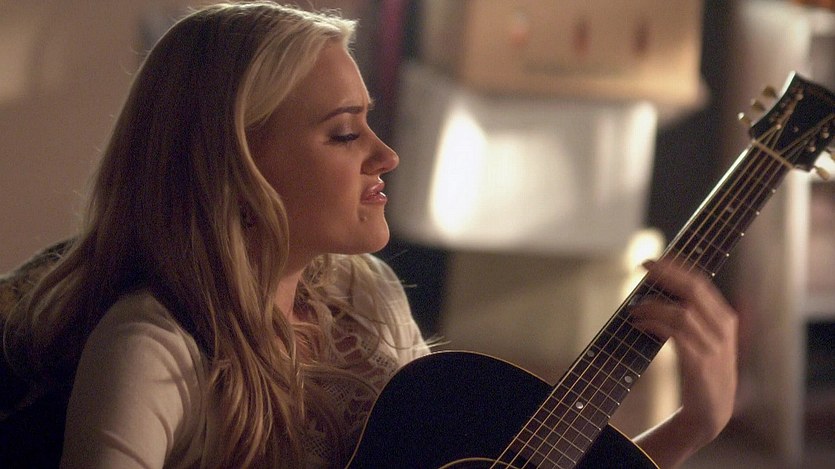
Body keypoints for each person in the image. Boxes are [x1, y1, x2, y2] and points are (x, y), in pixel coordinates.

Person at [2, 2, 738, 468]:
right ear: (237, 163)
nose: (385, 155)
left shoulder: (361, 297)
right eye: (344, 133)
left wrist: (690, 427)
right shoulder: (152, 351)